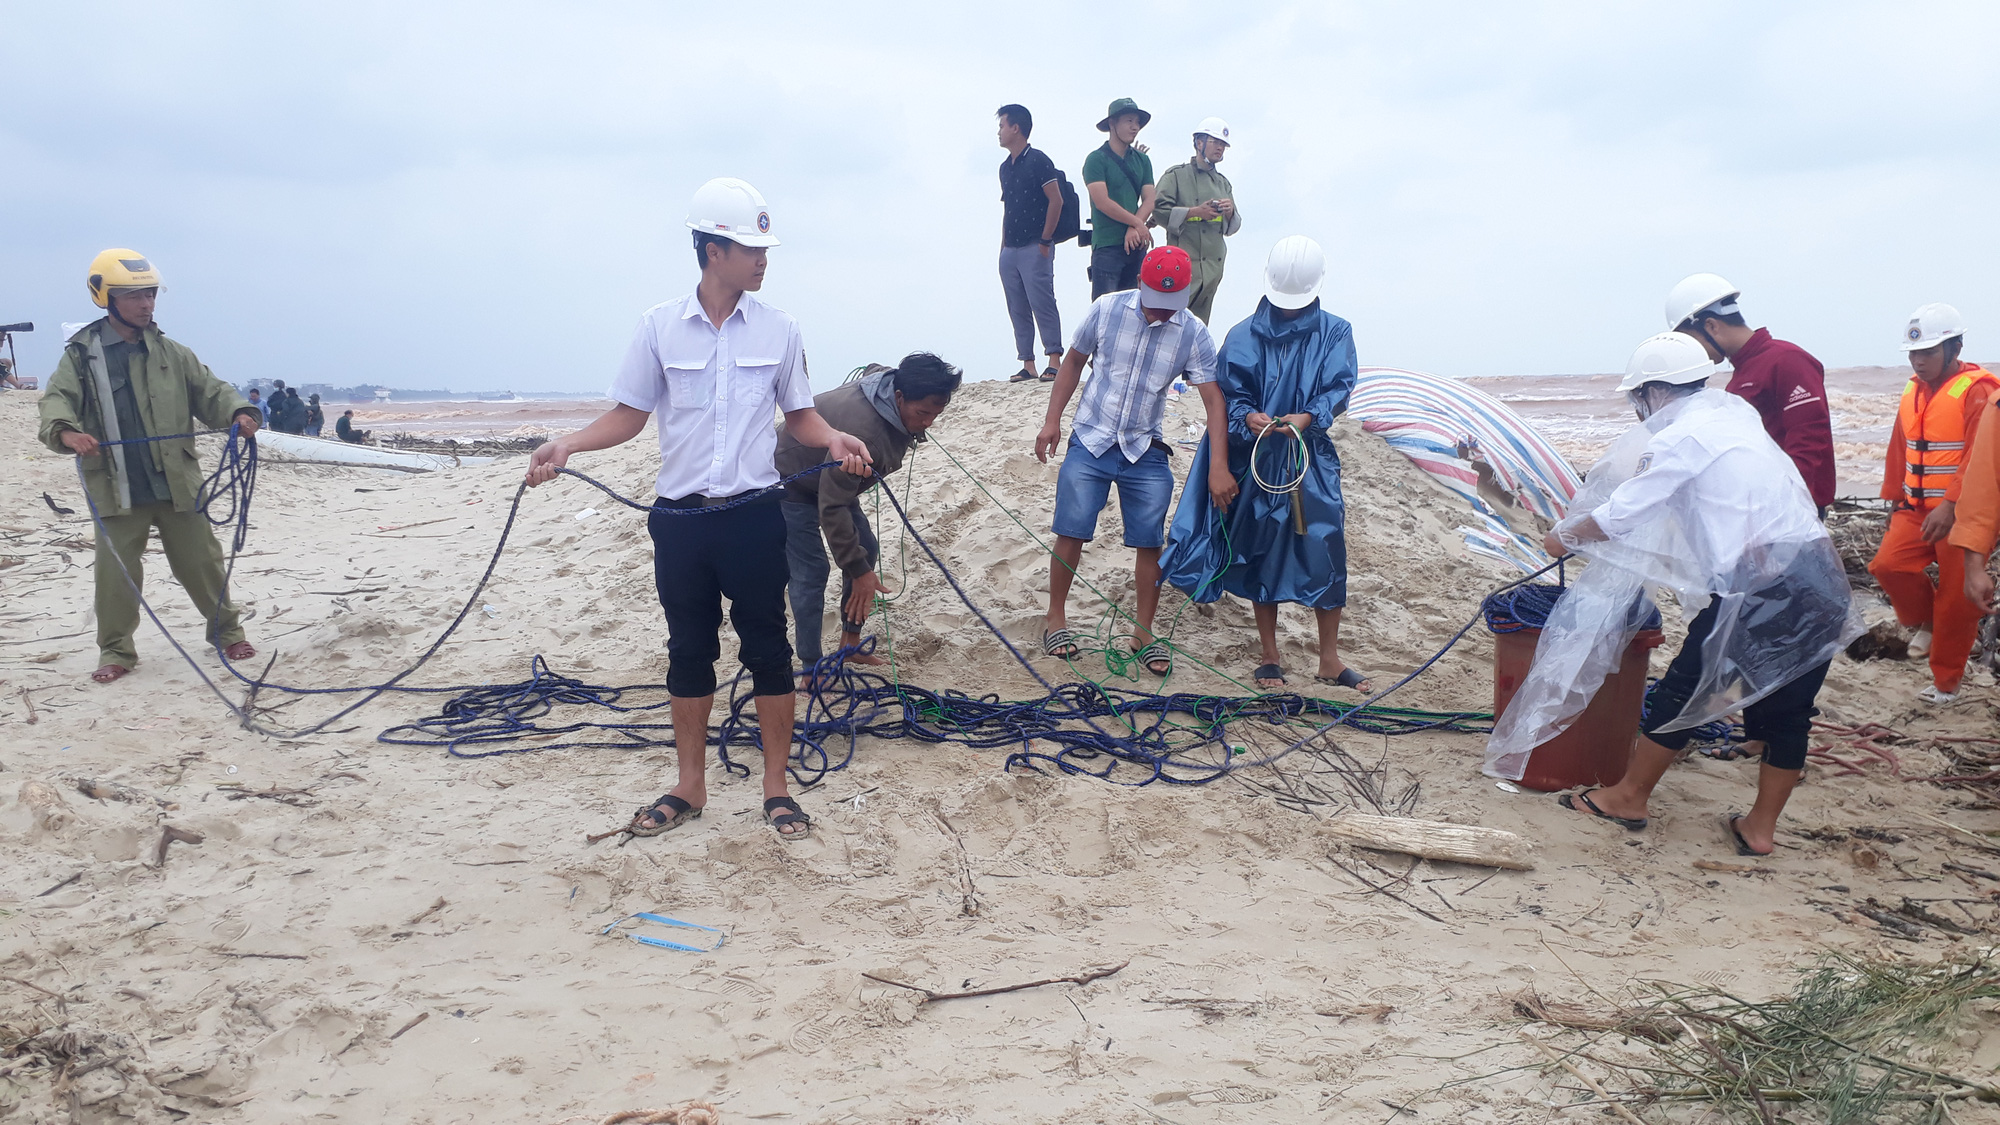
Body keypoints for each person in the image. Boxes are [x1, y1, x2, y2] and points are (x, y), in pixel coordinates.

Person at [524, 177, 871, 843]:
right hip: (679, 522)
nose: (764, 258)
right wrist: (566, 443)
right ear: (713, 251)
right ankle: (689, 784)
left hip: (752, 515)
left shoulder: (782, 329)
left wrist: (834, 438)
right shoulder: (658, 326)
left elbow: (799, 416)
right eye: (750, 246)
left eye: (765, 247)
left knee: (769, 649)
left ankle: (776, 786)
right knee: (688, 649)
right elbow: (628, 414)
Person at [1496, 332, 1852, 855]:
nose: (1637, 408)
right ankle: (1759, 830)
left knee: (1685, 690)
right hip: (1819, 575)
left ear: (1654, 392)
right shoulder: (1733, 414)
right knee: (1789, 710)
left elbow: (1622, 514)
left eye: (1637, 397)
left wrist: (1563, 535)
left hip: (1764, 582)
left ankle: (1628, 798)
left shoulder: (1677, 438)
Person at [35, 249, 262, 684]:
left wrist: (239, 413)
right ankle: (116, 651)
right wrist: (66, 431)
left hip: (178, 481)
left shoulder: (172, 353)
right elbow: (57, 400)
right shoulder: (82, 356)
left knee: (203, 562)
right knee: (116, 573)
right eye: (134, 296)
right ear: (106, 297)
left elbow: (210, 391)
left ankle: (228, 633)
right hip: (117, 485)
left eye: (151, 294)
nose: (146, 304)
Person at [1161, 236, 1369, 692]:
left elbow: (1339, 387)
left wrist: (1308, 417)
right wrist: (1247, 417)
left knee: (1326, 546)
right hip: (1254, 459)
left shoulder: (1335, 331)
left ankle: (1329, 658)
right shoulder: (1241, 334)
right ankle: (1269, 655)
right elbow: (1228, 396)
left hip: (1308, 458)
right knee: (1258, 548)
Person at [1035, 245, 1233, 675]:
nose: (1161, 314)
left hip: (1145, 447)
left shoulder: (1192, 332)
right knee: (1071, 531)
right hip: (1091, 438)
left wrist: (1220, 463)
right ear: (1140, 284)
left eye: (1170, 307)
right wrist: (1053, 421)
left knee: (1150, 541)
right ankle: (1055, 618)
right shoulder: (1106, 309)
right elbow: (1073, 363)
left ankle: (1143, 632)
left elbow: (1214, 400)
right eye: (1155, 304)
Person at [778, 354, 960, 677]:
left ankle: (850, 644)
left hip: (835, 479)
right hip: (789, 479)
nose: (929, 422)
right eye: (923, 413)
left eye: (937, 414)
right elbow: (831, 506)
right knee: (812, 571)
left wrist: (860, 564)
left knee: (867, 548)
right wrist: (859, 573)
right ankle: (810, 667)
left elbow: (876, 368)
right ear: (899, 397)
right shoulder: (869, 436)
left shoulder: (892, 383)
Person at [1867, 303, 1998, 704]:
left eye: (1928, 352)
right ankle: (1926, 622)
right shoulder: (1911, 390)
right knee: (1887, 565)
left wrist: (1952, 505)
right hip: (1915, 505)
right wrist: (1893, 498)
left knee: (1958, 599)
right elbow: (1899, 449)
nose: (1918, 361)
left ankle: (1946, 683)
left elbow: (1980, 456)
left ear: (1955, 348)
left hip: (1962, 512)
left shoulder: (1979, 391)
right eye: (1913, 353)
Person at [1665, 274, 1835, 513]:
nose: (1691, 350)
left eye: (1689, 340)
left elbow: (1809, 438)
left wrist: (1787, 502)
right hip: (1759, 507)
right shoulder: (1740, 376)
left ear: (1711, 326)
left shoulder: (1786, 360)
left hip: (1789, 509)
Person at [995, 104, 1064, 385]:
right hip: (1010, 247)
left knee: (1042, 301)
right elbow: (1008, 208)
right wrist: (1002, 248)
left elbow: (1056, 200)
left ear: (1016, 128)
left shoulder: (1038, 160)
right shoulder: (1005, 167)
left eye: (1002, 125)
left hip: (1036, 245)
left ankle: (1054, 360)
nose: (998, 132)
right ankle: (1027, 363)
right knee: (1017, 305)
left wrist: (1046, 240)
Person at [1151, 117, 1241, 325]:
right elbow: (1157, 209)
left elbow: (1232, 227)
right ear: (1199, 143)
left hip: (1212, 269)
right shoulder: (1176, 175)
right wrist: (1194, 212)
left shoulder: (1223, 184)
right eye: (1215, 142)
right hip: (1182, 266)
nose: (1220, 148)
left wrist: (1228, 212)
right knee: (1169, 322)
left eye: (1223, 145)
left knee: (1198, 329)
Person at [1081, 97, 1156, 298]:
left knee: (1136, 310)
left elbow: (1150, 199)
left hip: (1137, 245)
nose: (1135, 127)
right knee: (1104, 310)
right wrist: (1137, 223)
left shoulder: (1143, 160)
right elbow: (1102, 202)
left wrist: (1135, 227)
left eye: (1137, 122)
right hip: (1107, 245)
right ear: (1112, 124)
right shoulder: (1096, 159)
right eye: (1129, 121)